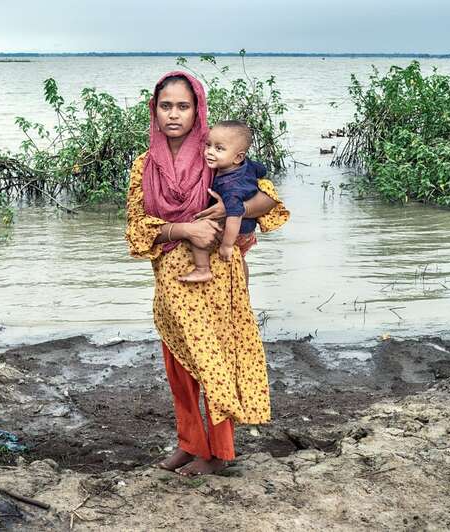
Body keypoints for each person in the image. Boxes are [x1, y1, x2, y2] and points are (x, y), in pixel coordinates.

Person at [125, 71, 289, 475]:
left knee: (215, 361)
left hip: (218, 276)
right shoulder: (144, 165)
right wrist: (185, 229)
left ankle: (218, 453)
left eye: (183, 106)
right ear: (155, 111)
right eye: (166, 106)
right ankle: (189, 443)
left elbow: (269, 200)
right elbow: (135, 227)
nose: (174, 114)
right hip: (172, 277)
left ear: (198, 110)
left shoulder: (216, 154)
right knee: (180, 367)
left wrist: (228, 210)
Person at [178, 120, 267, 283]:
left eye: (219, 149)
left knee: (198, 230)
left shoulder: (230, 187)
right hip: (248, 230)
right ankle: (244, 288)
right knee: (241, 259)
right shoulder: (247, 165)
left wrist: (227, 245)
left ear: (238, 157)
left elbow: (235, 214)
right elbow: (262, 170)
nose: (209, 152)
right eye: (208, 145)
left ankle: (202, 269)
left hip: (236, 232)